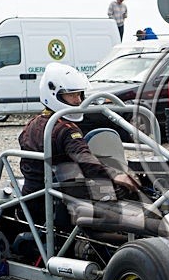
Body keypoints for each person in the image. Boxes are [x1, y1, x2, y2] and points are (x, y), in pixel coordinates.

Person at [18, 63, 138, 208]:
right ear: (54, 94)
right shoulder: (65, 128)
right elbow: (83, 158)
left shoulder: (31, 124)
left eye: (79, 94)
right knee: (128, 191)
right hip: (59, 200)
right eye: (71, 95)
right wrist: (115, 175)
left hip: (33, 196)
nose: (78, 101)